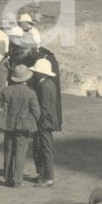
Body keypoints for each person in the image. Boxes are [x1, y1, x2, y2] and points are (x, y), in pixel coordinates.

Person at [0, 65, 41, 188]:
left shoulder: (6, 90)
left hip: (8, 125)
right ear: (26, 78)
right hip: (24, 126)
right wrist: (30, 120)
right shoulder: (31, 93)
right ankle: (17, 180)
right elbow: (37, 112)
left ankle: (7, 177)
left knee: (8, 151)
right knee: (21, 152)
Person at [30, 59, 59, 188]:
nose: (34, 74)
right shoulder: (49, 83)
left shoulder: (44, 86)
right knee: (42, 147)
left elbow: (45, 108)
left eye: (36, 72)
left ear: (41, 73)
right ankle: (43, 175)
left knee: (45, 148)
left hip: (44, 123)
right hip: (47, 121)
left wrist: (37, 121)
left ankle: (48, 178)